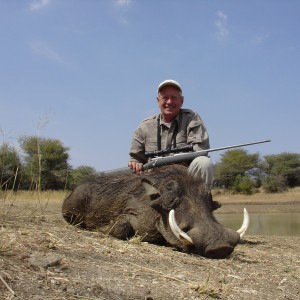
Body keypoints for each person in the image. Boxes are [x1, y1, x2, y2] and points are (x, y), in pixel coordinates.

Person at [128, 79, 220, 209]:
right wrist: (135, 163)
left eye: (174, 97)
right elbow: (136, 158)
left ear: (181, 100)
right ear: (158, 101)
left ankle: (202, 207)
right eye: (165, 98)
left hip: (186, 179)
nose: (169, 102)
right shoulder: (145, 126)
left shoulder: (192, 118)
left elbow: (201, 150)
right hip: (155, 180)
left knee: (203, 162)